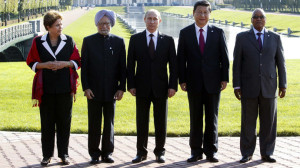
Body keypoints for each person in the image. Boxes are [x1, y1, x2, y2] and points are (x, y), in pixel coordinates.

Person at [26, 10, 81, 166]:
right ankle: (46, 155)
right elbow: (31, 62)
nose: (60, 27)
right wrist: (45, 65)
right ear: (48, 27)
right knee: (47, 123)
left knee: (65, 122)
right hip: (46, 89)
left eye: (61, 24)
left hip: (65, 89)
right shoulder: (38, 42)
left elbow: (77, 61)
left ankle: (64, 154)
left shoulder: (69, 40)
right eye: (57, 25)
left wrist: (65, 63)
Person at [177, 0, 229, 163]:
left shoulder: (218, 32)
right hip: (193, 82)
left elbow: (225, 58)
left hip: (214, 82)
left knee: (212, 118)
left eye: (206, 12)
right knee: (196, 118)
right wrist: (182, 79)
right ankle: (195, 151)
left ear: (210, 14)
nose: (202, 15)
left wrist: (224, 78)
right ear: (193, 13)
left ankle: (211, 151)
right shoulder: (185, 33)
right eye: (199, 12)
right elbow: (181, 59)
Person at [233, 8, 287, 163]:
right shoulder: (242, 37)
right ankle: (247, 153)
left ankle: (267, 152)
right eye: (255, 17)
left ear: (265, 20)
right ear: (251, 20)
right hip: (248, 87)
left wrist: (283, 84)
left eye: (261, 17)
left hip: (269, 87)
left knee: (269, 122)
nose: (258, 19)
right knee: (248, 122)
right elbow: (236, 64)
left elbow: (281, 63)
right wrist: (236, 85)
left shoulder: (275, 38)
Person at [127, 9, 177, 163]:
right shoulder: (135, 39)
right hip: (141, 87)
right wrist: (131, 85)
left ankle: (160, 152)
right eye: (149, 18)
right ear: (144, 20)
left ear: (160, 21)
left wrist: (172, 86)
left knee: (161, 122)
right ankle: (141, 152)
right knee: (141, 122)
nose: (152, 21)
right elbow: (130, 65)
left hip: (162, 88)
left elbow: (173, 66)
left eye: (155, 19)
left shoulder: (168, 40)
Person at [81, 10, 126, 164]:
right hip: (93, 90)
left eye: (107, 23)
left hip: (112, 90)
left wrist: (121, 88)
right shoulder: (88, 41)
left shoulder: (119, 42)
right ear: (97, 24)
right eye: (101, 23)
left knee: (109, 123)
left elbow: (122, 67)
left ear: (111, 24)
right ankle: (94, 153)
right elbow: (84, 67)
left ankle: (107, 152)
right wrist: (86, 87)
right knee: (94, 123)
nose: (104, 26)